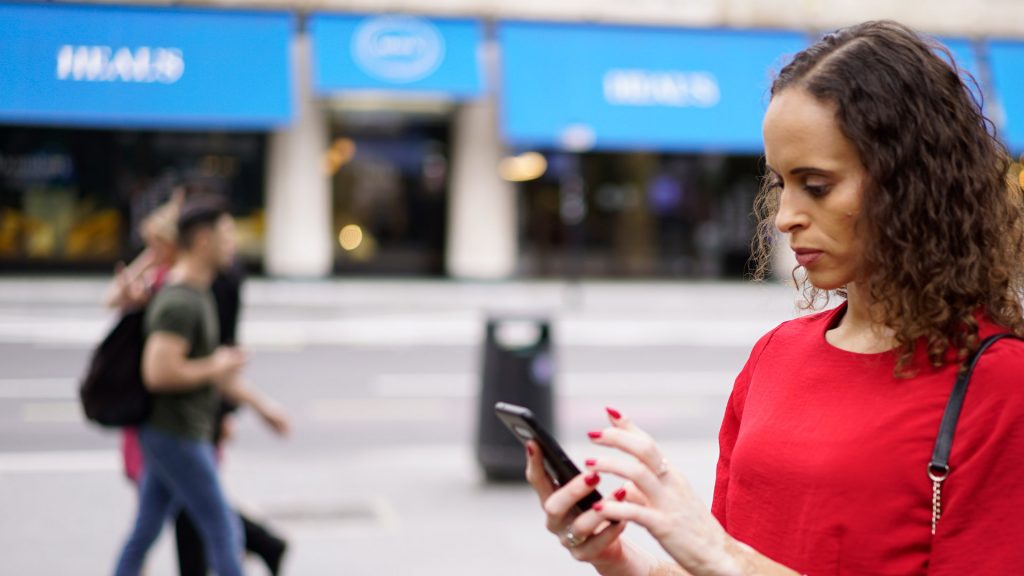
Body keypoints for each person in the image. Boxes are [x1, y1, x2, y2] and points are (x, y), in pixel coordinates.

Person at [525, 20, 1024, 576]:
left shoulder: (1001, 385)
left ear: (911, 182)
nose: (785, 217)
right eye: (779, 183)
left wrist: (720, 555)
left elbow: (730, 564)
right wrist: (619, 558)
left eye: (816, 185)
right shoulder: (775, 355)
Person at [112, 196, 281, 576]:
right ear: (202, 240)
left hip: (174, 431)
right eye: (225, 234)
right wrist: (216, 364)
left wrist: (260, 405)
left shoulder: (197, 292)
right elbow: (159, 372)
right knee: (223, 530)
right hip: (177, 432)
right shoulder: (181, 301)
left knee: (146, 530)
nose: (232, 243)